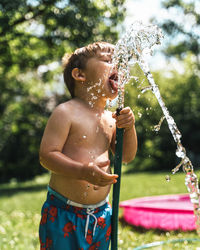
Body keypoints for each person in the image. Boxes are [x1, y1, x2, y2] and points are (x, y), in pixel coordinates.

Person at [39, 41, 137, 250]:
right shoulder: (66, 112)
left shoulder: (111, 118)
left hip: (101, 214)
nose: (117, 66)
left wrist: (129, 128)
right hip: (64, 214)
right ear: (80, 75)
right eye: (108, 60)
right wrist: (82, 171)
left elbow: (126, 157)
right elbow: (47, 155)